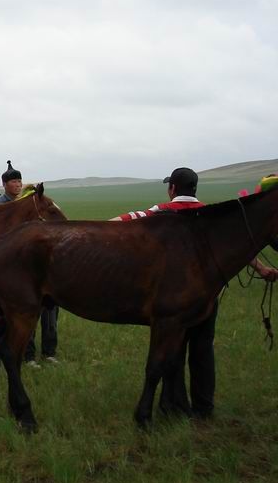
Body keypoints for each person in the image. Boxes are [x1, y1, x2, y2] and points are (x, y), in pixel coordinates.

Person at [111, 167, 278, 418]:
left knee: (174, 351)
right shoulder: (210, 214)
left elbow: (124, 221)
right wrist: (262, 268)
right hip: (207, 299)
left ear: (173, 189)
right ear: (195, 189)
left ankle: (177, 406)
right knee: (203, 351)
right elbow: (234, 248)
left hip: (174, 299)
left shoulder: (161, 211)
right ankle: (203, 407)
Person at [0, 161, 60, 367]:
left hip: (34, 261)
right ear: (4, 184)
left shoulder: (31, 203)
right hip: (8, 264)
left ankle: (49, 351)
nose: (18, 184)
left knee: (50, 308)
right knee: (19, 309)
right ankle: (24, 352)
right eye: (14, 181)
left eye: (20, 180)